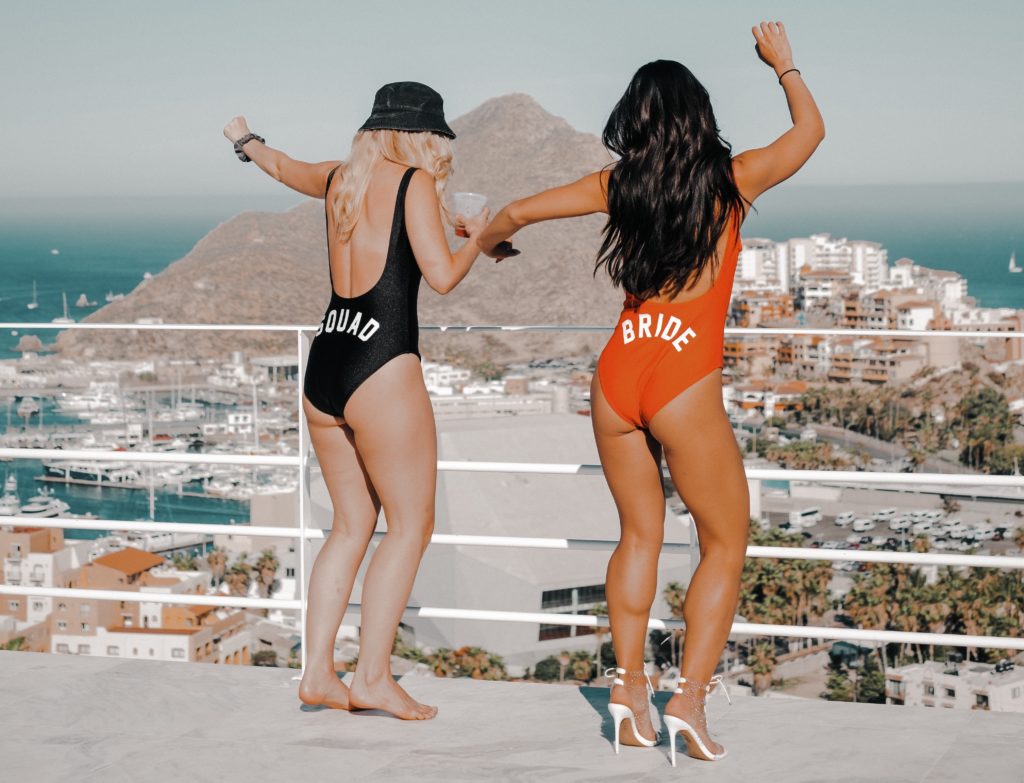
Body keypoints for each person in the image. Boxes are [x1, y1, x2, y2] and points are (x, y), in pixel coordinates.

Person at [477, 22, 824, 763]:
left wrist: (491, 242)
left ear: (633, 119)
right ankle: (688, 701)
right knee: (725, 542)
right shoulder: (734, 180)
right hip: (681, 376)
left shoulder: (617, 185)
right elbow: (810, 133)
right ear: (699, 116)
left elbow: (512, 212)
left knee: (639, 536)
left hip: (619, 371)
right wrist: (784, 66)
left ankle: (628, 690)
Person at [223, 82, 493, 720]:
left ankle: (318, 673)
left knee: (349, 525)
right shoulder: (413, 183)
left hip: (328, 357)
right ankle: (372, 677)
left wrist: (244, 139)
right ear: (420, 135)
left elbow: (285, 168)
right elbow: (444, 276)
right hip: (382, 362)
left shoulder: (340, 177)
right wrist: (479, 237)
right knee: (409, 527)